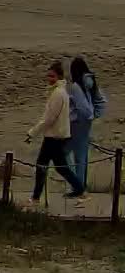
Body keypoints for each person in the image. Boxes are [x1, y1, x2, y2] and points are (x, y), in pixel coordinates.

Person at [27, 59, 86, 201]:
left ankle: (35, 197)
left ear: (59, 77)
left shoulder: (58, 94)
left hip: (54, 136)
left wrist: (32, 132)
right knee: (60, 166)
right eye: (48, 76)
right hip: (58, 135)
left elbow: (49, 118)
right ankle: (79, 189)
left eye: (52, 76)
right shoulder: (59, 92)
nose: (49, 79)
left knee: (42, 165)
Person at [71, 56, 106, 188]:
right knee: (82, 154)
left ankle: (78, 186)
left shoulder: (77, 85)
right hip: (87, 123)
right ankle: (81, 185)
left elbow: (81, 107)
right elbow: (101, 100)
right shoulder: (91, 81)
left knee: (77, 155)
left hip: (79, 122)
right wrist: (94, 114)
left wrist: (86, 116)